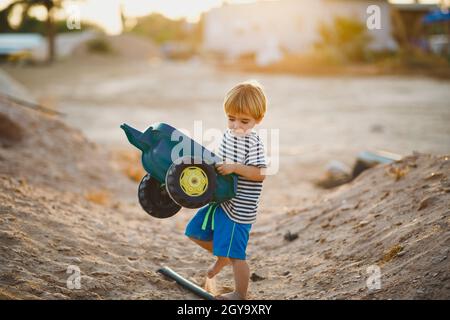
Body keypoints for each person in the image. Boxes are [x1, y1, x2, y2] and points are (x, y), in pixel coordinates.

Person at [185, 80, 268, 300]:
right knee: (194, 231)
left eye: (244, 120)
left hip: (239, 210)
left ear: (258, 120)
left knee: (237, 257)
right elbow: (219, 158)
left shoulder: (253, 143)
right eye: (231, 119)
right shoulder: (228, 135)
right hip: (221, 202)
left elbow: (260, 173)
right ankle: (222, 254)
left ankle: (240, 293)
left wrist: (235, 168)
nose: (236, 125)